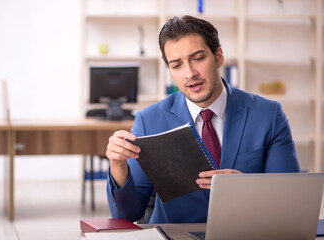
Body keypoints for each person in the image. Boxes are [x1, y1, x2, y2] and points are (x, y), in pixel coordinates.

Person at [105, 15, 300, 224]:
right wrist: (118, 165)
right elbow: (127, 215)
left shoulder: (268, 116)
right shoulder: (149, 120)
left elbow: (289, 203)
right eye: (177, 65)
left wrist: (246, 190)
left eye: (198, 58)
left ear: (219, 56)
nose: (190, 73)